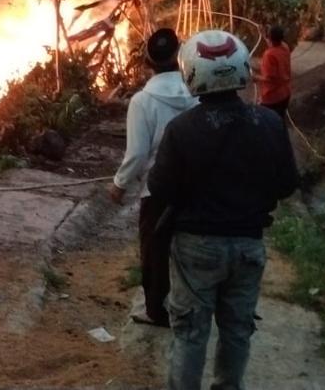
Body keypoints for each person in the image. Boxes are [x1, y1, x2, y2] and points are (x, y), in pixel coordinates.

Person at [149, 29, 299, 390]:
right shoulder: (270, 123)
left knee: (190, 333)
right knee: (237, 330)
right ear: (243, 69)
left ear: (191, 74)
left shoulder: (181, 130)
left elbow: (159, 187)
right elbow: (288, 184)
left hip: (196, 248)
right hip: (248, 246)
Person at [110, 28, 197, 328]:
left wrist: (119, 184)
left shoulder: (142, 101)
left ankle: (156, 310)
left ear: (148, 61)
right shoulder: (196, 92)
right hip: (193, 186)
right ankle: (191, 305)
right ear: (180, 55)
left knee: (154, 249)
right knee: (189, 245)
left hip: (157, 188)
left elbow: (136, 152)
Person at [254, 25, 292, 121]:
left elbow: (270, 78)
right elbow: (272, 43)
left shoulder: (269, 55)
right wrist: (263, 34)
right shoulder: (284, 46)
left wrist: (255, 77)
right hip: (285, 94)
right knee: (280, 122)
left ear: (270, 37)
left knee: (268, 124)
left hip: (273, 98)